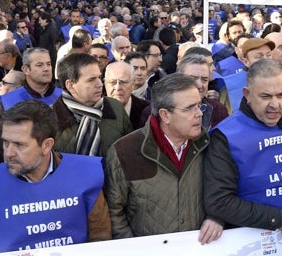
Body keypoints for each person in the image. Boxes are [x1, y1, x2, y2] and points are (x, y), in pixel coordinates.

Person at [0, 100, 111, 254]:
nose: (9, 153)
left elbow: (100, 240)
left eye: (19, 145)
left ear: (47, 145)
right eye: (6, 143)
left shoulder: (84, 176)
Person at [204, 59, 282, 232]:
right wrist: (276, 219)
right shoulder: (226, 136)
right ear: (247, 94)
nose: (274, 104)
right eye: (265, 96)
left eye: (280, 95)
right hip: (249, 236)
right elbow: (219, 201)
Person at [106, 74, 223, 243]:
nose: (199, 114)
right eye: (190, 108)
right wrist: (134, 250)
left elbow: (225, 193)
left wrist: (217, 217)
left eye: (199, 106)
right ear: (165, 115)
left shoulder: (209, 145)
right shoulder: (125, 151)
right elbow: (114, 213)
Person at [53, 53, 133, 157]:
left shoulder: (115, 107)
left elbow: (130, 149)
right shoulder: (50, 118)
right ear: (71, 86)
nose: (100, 84)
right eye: (91, 80)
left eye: (99, 77)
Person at [0, 48, 61, 112]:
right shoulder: (9, 100)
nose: (46, 69)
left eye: (48, 64)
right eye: (39, 65)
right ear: (26, 70)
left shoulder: (63, 96)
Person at [104, 61, 149, 130]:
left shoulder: (147, 111)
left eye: (123, 82)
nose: (118, 88)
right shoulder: (95, 110)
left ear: (133, 84)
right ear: (105, 83)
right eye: (113, 82)